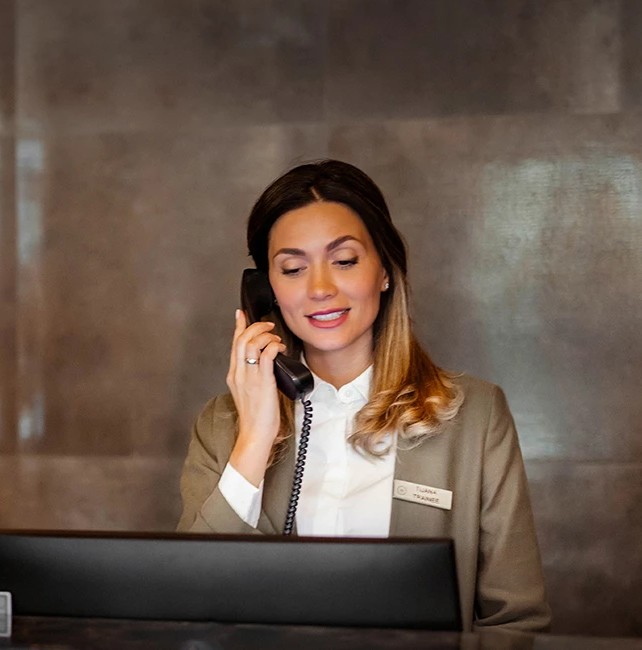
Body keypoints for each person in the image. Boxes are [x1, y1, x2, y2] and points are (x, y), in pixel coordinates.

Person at [177, 160, 550, 631]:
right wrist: (254, 438)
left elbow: (516, 623)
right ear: (264, 291)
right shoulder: (221, 425)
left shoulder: (476, 416)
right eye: (293, 269)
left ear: (385, 272)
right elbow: (190, 606)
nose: (320, 289)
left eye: (345, 261)